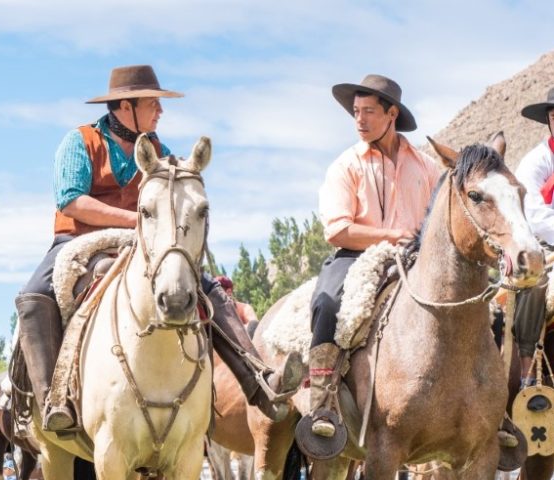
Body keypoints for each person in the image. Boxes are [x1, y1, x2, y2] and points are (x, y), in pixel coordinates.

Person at [23, 65, 288, 435]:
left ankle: (259, 382)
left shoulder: (161, 153)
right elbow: (71, 201)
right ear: (125, 106)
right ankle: (53, 400)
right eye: (153, 103)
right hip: (78, 242)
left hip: (144, 244)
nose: (160, 111)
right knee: (33, 296)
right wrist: (133, 219)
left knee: (210, 290)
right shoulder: (80, 141)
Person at [302, 75, 442, 455]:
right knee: (326, 303)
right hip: (355, 257)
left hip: (416, 260)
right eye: (355, 113)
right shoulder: (345, 165)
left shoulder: (427, 168)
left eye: (368, 112)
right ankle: (323, 402)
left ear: (391, 114)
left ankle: (490, 406)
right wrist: (389, 234)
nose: (359, 120)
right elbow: (338, 230)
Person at [513, 86, 554, 391]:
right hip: (541, 243)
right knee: (535, 281)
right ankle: (527, 363)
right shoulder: (535, 162)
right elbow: (535, 216)